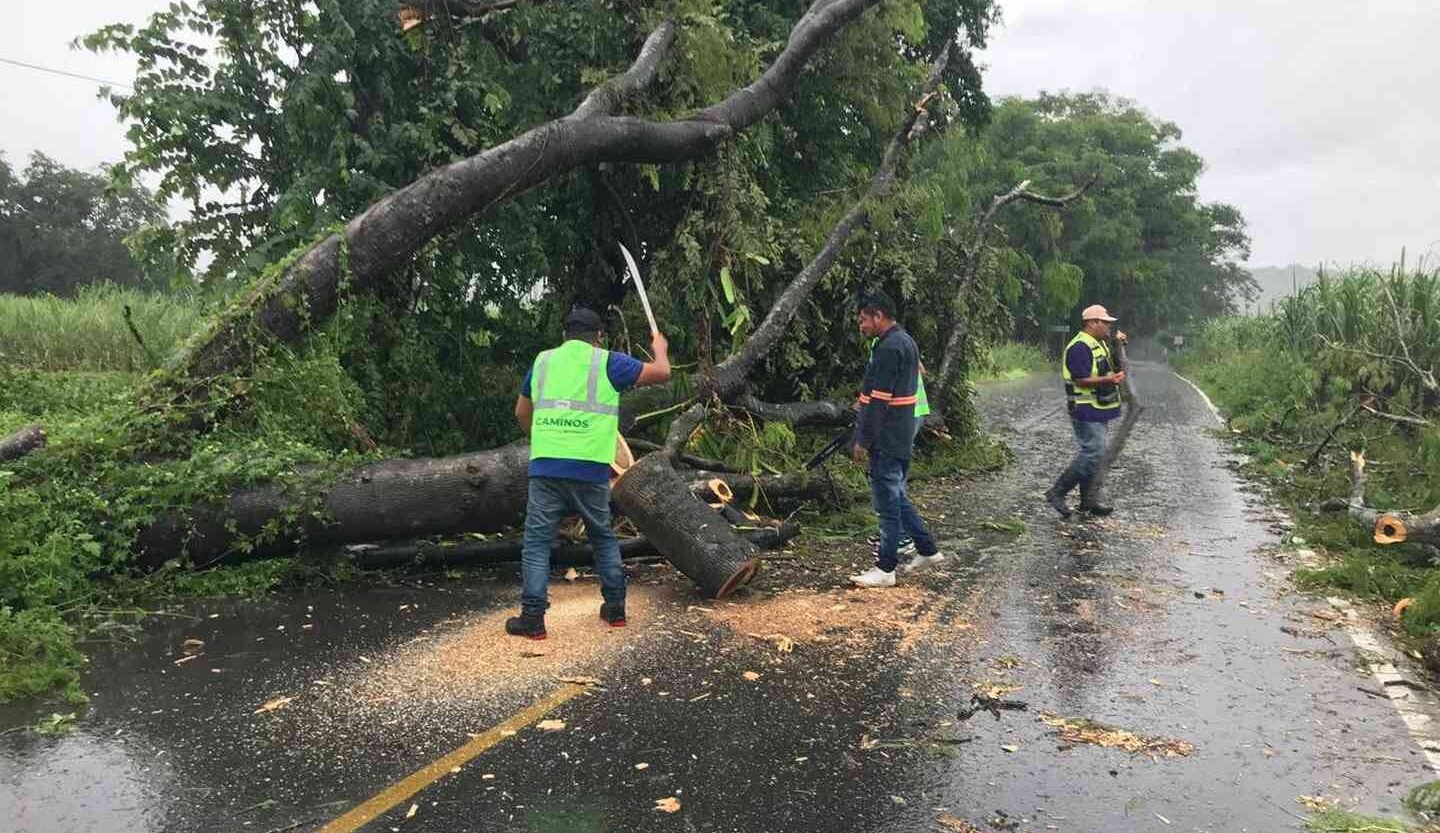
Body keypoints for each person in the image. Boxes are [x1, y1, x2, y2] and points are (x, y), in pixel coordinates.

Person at [507, 307, 671, 639]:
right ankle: (615, 611)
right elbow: (663, 373)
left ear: (564, 336)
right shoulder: (608, 362)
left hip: (547, 467)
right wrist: (660, 348)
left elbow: (522, 411)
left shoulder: (543, 361)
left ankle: (533, 619)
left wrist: (538, 439)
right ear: (598, 337)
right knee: (602, 538)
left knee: (537, 544)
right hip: (592, 469)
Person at [849, 291, 944, 588]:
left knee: (887, 504)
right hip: (901, 434)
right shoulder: (905, 341)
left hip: (888, 436)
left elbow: (879, 400)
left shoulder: (890, 347)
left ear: (878, 316)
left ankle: (886, 568)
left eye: (864, 319)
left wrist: (863, 440)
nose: (861, 326)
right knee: (897, 498)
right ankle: (928, 550)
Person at [1045, 304, 1128, 518]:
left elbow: (1115, 367)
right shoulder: (1079, 347)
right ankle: (1057, 492)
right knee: (1093, 453)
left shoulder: (1099, 344)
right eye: (1105, 323)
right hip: (1085, 408)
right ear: (1092, 323)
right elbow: (1081, 380)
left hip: (1099, 408)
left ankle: (1088, 501)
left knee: (1096, 455)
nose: (1109, 327)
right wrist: (1108, 380)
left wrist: (1118, 345)